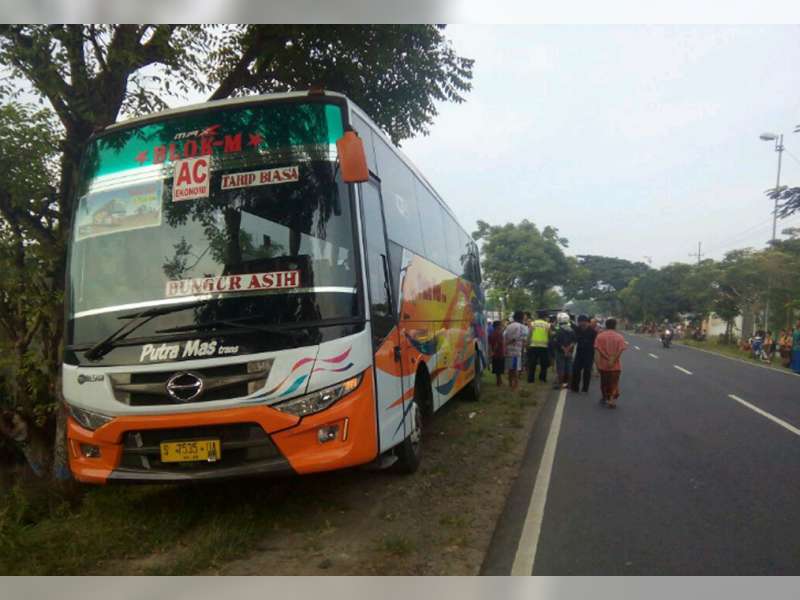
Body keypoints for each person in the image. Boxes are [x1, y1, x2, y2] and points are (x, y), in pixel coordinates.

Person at [594, 318, 628, 408]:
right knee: (614, 383)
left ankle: (606, 397)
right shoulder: (619, 337)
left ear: (606, 325)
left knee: (604, 383)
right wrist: (613, 360)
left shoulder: (600, 336)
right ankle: (612, 400)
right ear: (615, 326)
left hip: (603, 365)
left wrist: (600, 362)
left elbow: (598, 350)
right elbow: (620, 350)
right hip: (615, 365)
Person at [570, 315, 597, 393]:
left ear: (587, 322)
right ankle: (575, 387)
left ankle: (585, 388)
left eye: (583, 322)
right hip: (579, 352)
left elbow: (595, 344)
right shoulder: (576, 330)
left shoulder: (593, 332)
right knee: (576, 370)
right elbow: (573, 340)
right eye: (580, 322)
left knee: (587, 371)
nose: (582, 323)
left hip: (589, 353)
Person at [503, 310, 528, 390]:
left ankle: (510, 384)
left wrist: (505, 345)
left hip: (508, 350)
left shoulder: (509, 326)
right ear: (521, 318)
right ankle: (515, 386)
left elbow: (504, 335)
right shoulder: (522, 327)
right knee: (516, 369)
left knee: (510, 369)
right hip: (516, 350)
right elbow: (517, 338)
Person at [553, 312, 576, 390]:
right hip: (569, 352)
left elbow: (557, 342)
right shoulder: (571, 330)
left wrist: (564, 349)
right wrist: (568, 349)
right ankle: (569, 384)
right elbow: (574, 341)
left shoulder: (558, 330)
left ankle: (561, 385)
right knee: (569, 368)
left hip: (560, 352)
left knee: (560, 368)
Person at [527, 309, 551, 383]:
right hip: (544, 347)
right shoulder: (547, 324)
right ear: (544, 316)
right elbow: (549, 335)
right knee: (544, 364)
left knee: (532, 363)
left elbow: (530, 334)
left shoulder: (533, 323)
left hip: (533, 346)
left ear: (538, 316)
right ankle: (542, 378)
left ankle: (531, 379)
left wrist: (528, 343)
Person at [489, 320, 505, 386]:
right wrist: (493, 352)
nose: (502, 326)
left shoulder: (493, 333)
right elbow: (496, 344)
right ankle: (498, 382)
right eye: (501, 325)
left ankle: (499, 381)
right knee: (499, 369)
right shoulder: (498, 333)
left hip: (497, 353)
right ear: (497, 326)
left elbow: (490, 343)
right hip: (498, 353)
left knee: (497, 369)